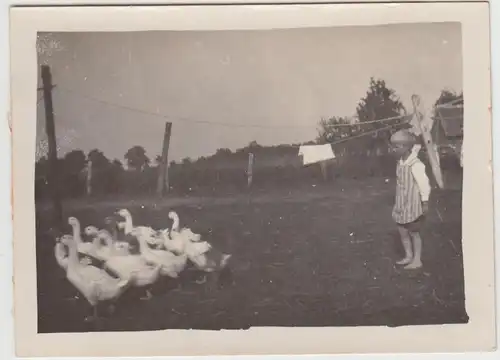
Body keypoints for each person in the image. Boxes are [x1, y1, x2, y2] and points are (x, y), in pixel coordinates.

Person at [390, 129, 431, 270]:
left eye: (397, 146)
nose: (393, 149)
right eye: (393, 146)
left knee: (414, 232)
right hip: (401, 202)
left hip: (413, 204)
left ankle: (417, 259)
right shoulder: (400, 162)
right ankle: (408, 255)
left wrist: (424, 201)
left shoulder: (415, 164)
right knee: (402, 230)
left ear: (407, 147)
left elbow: (424, 184)